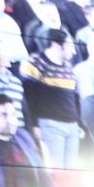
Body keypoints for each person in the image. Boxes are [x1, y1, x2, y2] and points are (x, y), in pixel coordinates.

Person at [20, 27, 82, 169]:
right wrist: (34, 125)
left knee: (72, 171)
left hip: (72, 125)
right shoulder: (34, 63)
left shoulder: (68, 67)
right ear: (55, 45)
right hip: (50, 124)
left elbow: (75, 98)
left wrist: (78, 123)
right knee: (55, 170)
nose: (74, 51)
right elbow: (29, 97)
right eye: (70, 46)